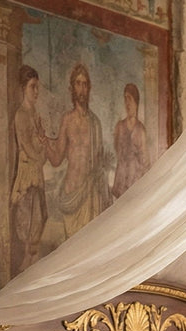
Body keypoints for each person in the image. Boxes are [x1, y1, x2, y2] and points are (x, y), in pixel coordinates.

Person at [46, 62, 110, 238]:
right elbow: (57, 159)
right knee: (71, 252)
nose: (82, 89)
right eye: (78, 83)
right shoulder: (67, 120)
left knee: (91, 249)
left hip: (92, 195)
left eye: (85, 84)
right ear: (72, 88)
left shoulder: (95, 123)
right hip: (72, 192)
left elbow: (99, 163)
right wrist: (44, 143)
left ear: (89, 88)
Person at [9, 64, 50, 275]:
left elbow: (41, 156)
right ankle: (25, 267)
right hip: (27, 178)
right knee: (28, 222)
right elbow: (28, 148)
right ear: (24, 87)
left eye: (37, 87)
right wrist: (41, 145)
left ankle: (32, 265)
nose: (36, 91)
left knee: (41, 218)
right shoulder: (21, 115)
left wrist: (42, 144)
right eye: (33, 86)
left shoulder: (34, 114)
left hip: (37, 175)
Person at [110, 83, 149, 198]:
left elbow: (145, 160)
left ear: (136, 102)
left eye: (130, 99)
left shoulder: (140, 130)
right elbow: (117, 149)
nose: (127, 103)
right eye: (125, 99)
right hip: (121, 178)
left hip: (134, 178)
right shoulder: (120, 127)